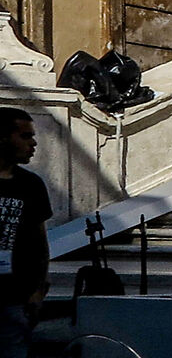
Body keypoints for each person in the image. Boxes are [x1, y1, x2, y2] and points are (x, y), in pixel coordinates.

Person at [0, 108, 50, 358]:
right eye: (25, 136)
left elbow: (40, 243)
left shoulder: (31, 185)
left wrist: (38, 290)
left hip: (14, 298)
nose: (33, 143)